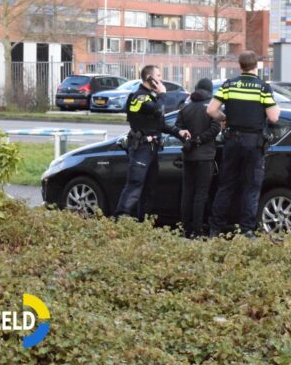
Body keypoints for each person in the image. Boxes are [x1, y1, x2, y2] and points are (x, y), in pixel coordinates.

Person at [207, 51, 280, 237]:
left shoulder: (229, 85)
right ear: (257, 66)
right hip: (253, 144)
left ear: (239, 65)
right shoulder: (263, 88)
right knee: (252, 187)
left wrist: (225, 118)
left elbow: (211, 110)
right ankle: (247, 230)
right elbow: (273, 117)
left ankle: (216, 228)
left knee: (226, 185)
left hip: (232, 141)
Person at [114, 65, 189, 221]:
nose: (161, 79)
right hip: (141, 148)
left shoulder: (151, 96)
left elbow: (160, 124)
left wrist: (178, 131)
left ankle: (144, 223)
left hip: (152, 149)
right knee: (135, 184)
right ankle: (119, 220)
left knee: (149, 189)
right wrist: (162, 95)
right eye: (159, 75)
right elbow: (157, 110)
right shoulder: (139, 97)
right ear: (150, 78)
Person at [175, 78, 221, 238]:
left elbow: (178, 128)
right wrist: (200, 139)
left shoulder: (185, 107)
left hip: (188, 156)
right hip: (206, 157)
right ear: (210, 91)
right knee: (201, 194)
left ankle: (185, 229)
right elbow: (216, 128)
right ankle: (197, 229)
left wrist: (188, 140)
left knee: (187, 193)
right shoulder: (211, 108)